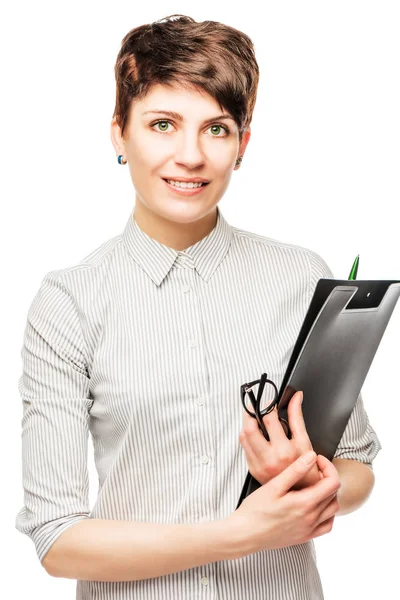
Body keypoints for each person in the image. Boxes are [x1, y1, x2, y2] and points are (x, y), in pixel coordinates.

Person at [15, 14, 382, 600]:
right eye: (163, 124)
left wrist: (310, 477)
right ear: (119, 133)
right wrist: (239, 533)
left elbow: (358, 464)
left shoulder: (300, 275)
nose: (190, 156)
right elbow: (57, 540)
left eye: (216, 128)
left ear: (242, 145)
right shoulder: (69, 302)